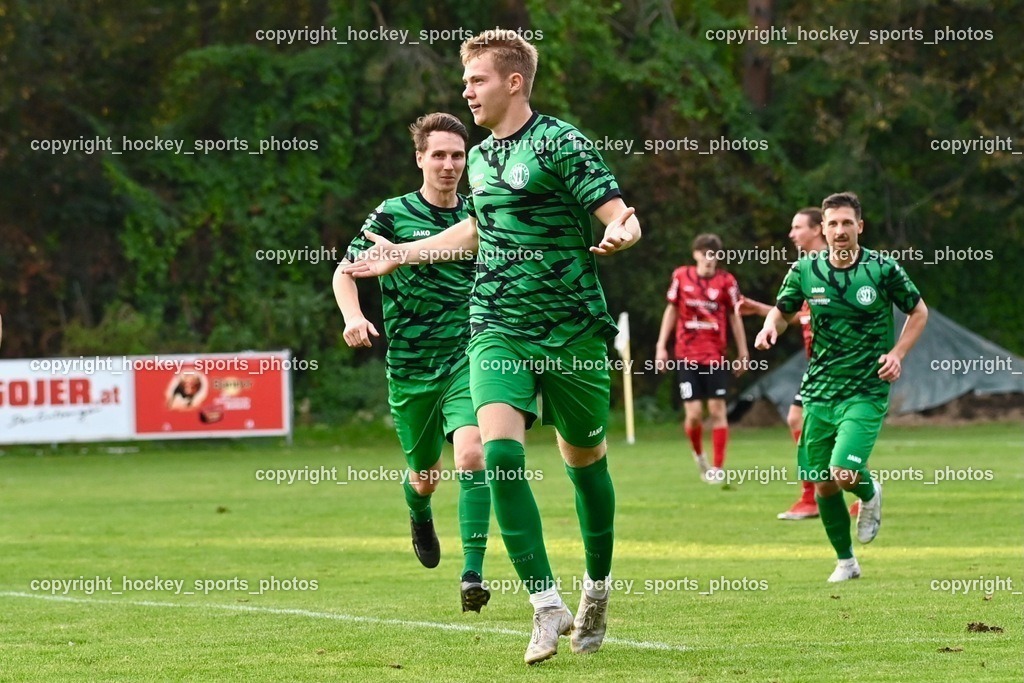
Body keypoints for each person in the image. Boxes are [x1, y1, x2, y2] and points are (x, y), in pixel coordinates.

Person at [344, 29, 641, 664]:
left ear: (512, 82)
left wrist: (622, 231)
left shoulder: (561, 142)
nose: (466, 91)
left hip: (570, 329)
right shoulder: (478, 160)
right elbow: (476, 231)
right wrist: (402, 253)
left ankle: (597, 588)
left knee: (586, 464)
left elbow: (619, 212)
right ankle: (545, 603)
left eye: (476, 80)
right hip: (496, 327)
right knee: (494, 453)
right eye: (465, 80)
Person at [333, 112, 492, 614]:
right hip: (410, 367)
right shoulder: (392, 215)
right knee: (425, 474)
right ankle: (418, 509)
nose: (449, 165)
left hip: (469, 357)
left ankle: (473, 574)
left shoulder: (477, 216)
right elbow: (345, 272)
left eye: (457, 155)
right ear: (420, 158)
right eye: (439, 155)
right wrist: (353, 317)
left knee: (473, 456)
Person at [754, 191, 927, 582]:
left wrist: (897, 352)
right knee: (823, 484)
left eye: (847, 222)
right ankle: (846, 561)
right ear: (824, 229)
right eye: (833, 223)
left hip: (866, 388)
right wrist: (768, 328)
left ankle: (869, 493)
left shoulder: (882, 269)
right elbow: (781, 313)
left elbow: (918, 311)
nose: (840, 230)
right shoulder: (805, 270)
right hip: (819, 389)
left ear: (860, 226)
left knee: (843, 471)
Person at [737, 208, 826, 518]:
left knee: (829, 425)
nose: (791, 234)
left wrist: (765, 313)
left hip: (842, 363)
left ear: (817, 230)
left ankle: (839, 492)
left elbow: (818, 313)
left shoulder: (836, 267)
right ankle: (813, 496)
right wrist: (766, 315)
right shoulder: (804, 269)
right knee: (799, 420)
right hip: (816, 365)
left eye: (797, 227)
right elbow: (796, 315)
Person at [655, 234, 749, 484]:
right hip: (687, 355)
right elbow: (671, 309)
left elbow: (734, 316)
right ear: (695, 254)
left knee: (717, 409)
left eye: (714, 255)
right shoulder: (681, 276)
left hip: (715, 356)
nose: (709, 259)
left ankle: (718, 468)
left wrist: (743, 352)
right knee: (694, 414)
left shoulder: (726, 281)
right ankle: (699, 456)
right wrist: (661, 346)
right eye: (705, 254)